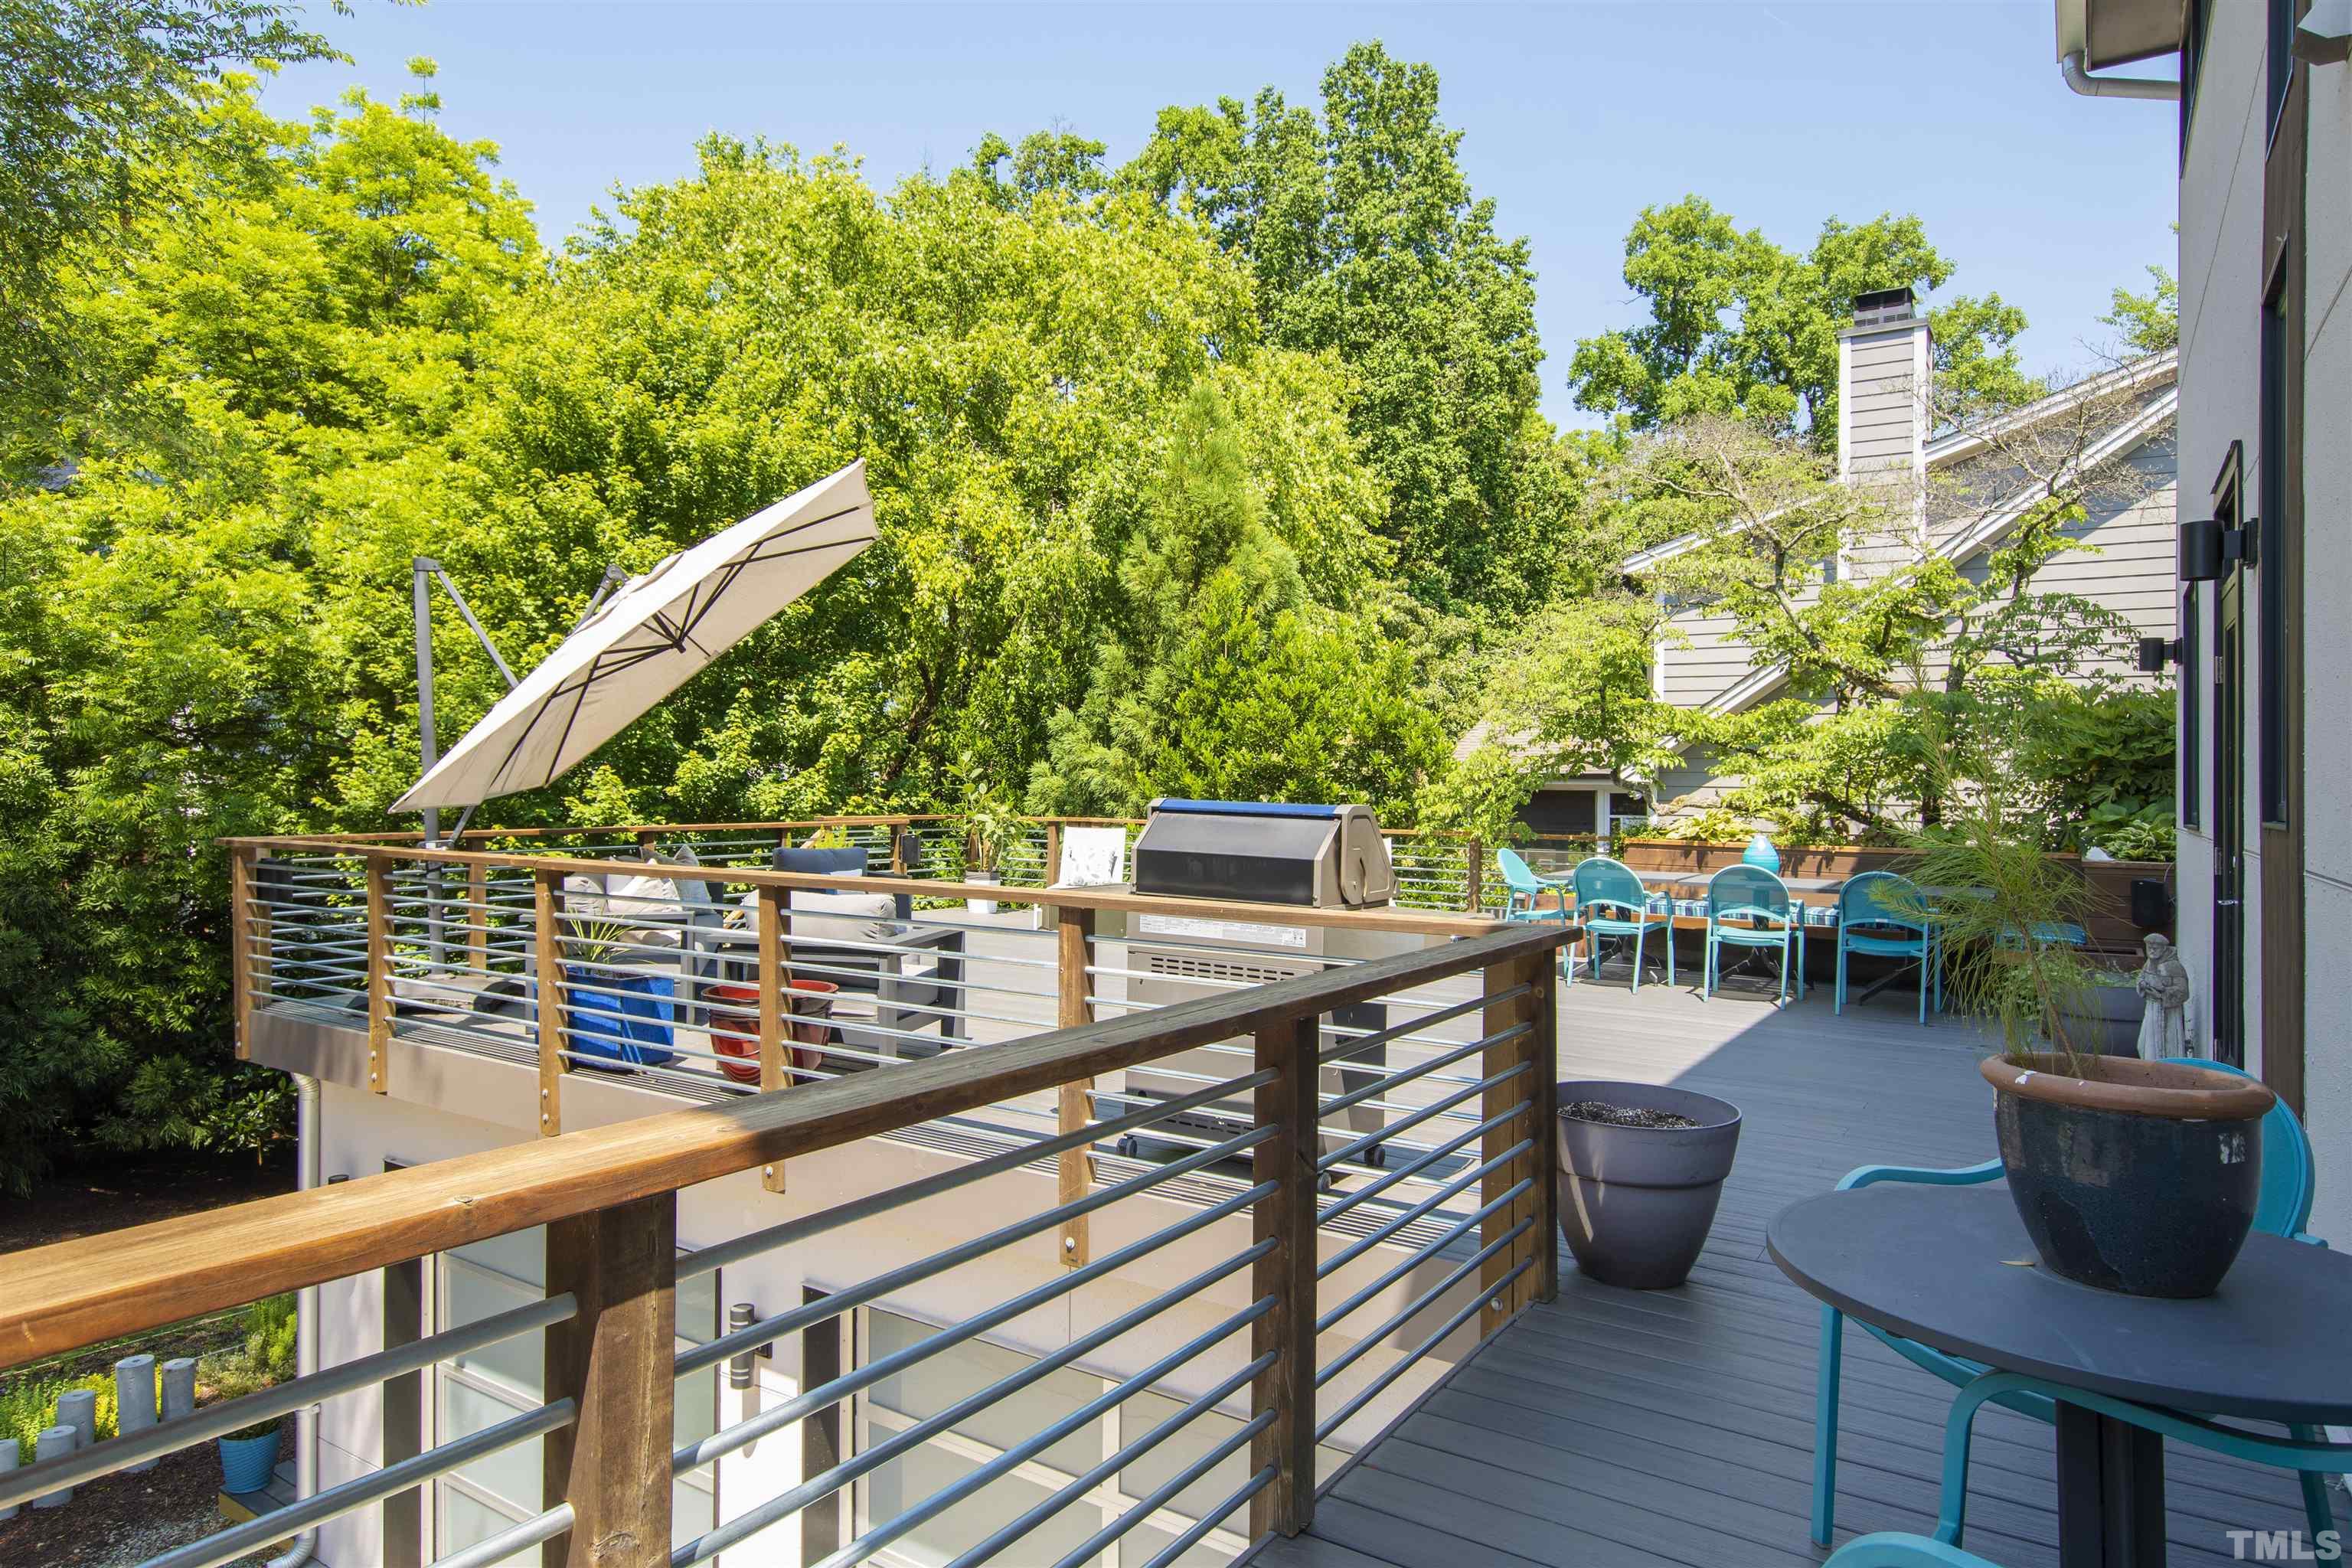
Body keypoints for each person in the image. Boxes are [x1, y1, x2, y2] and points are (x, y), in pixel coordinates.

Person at [2135, 932, 2194, 1059]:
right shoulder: (2149, 963)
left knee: (2168, 1045)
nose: (2152, 951)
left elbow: (2183, 991)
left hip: (2168, 1012)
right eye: (2149, 947)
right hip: (2151, 1009)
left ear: (2163, 949)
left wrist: (2162, 993)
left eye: (2155, 948)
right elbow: (2141, 977)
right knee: (2143, 1045)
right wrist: (2142, 984)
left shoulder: (2174, 966)